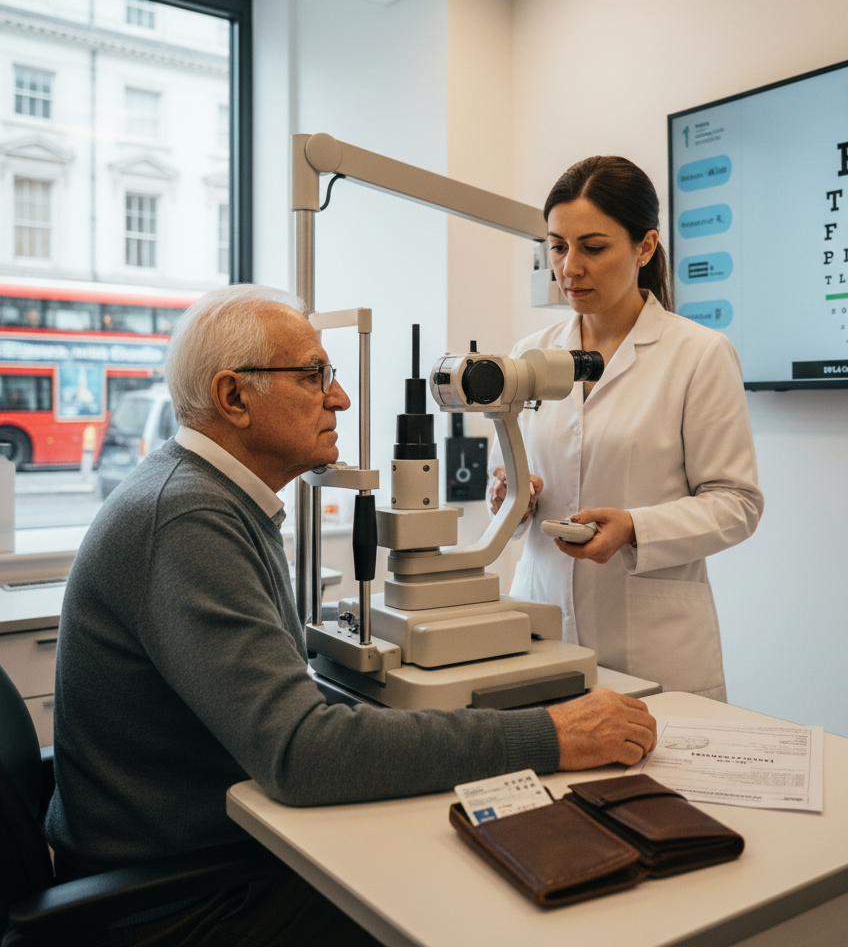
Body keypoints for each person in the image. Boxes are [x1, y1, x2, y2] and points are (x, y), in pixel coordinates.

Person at [36, 285, 656, 947]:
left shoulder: (207, 498)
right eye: (314, 376)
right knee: (461, 904)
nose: (340, 399)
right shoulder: (189, 521)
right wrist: (552, 735)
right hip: (182, 904)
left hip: (207, 851)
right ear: (234, 397)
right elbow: (302, 752)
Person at [490, 156, 764, 701]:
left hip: (654, 647)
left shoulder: (698, 354)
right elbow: (511, 486)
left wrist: (635, 528)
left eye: (593, 248)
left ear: (645, 247)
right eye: (557, 247)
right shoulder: (529, 355)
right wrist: (512, 498)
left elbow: (737, 503)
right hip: (540, 629)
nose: (569, 268)